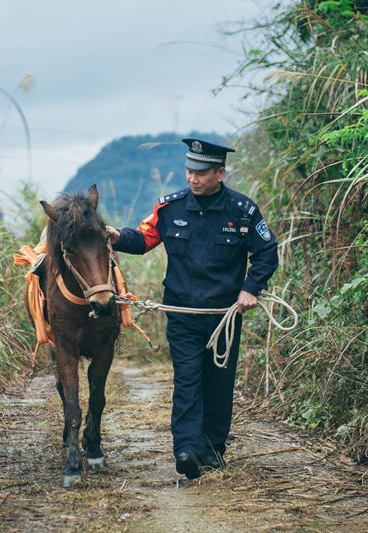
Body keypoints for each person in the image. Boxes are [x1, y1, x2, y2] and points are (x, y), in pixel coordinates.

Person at [106, 138, 279, 479]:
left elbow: (267, 252)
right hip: (182, 315)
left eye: (201, 173)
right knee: (187, 380)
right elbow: (143, 239)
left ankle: (213, 451)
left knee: (218, 384)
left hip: (223, 318)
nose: (193, 179)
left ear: (219, 173)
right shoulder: (170, 208)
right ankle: (186, 450)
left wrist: (249, 289)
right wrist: (115, 236)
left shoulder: (243, 211)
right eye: (189, 171)